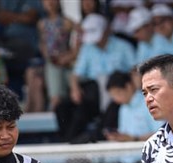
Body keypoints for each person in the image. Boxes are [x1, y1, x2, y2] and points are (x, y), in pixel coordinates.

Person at [54, 13, 135, 142]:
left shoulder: (123, 47)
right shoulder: (87, 48)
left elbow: (134, 71)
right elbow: (76, 74)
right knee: (62, 108)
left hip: (115, 90)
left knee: (106, 112)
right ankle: (68, 143)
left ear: (106, 31)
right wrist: (75, 89)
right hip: (94, 92)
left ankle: (86, 141)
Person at [90, 71, 162, 163]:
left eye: (118, 93)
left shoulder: (149, 103)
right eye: (113, 95)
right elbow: (126, 135)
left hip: (146, 158)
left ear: (129, 87)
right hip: (126, 159)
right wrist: (118, 137)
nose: (116, 98)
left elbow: (161, 133)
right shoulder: (123, 109)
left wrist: (134, 138)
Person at [37, 0, 77, 110]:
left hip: (67, 60)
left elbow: (79, 38)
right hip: (52, 61)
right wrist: (49, 56)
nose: (49, 3)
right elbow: (43, 43)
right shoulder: (42, 23)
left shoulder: (67, 22)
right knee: (52, 68)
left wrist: (70, 55)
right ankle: (55, 104)